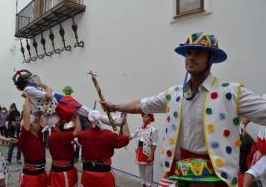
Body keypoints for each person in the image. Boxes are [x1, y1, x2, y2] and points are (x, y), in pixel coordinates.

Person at [100, 32, 266, 187]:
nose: (191, 58)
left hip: (217, 178)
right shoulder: (174, 94)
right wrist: (113, 106)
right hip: (181, 173)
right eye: (188, 53)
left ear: (212, 58)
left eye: (199, 53)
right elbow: (142, 104)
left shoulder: (230, 93)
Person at [78, 110, 130, 187]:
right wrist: (125, 123)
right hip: (104, 175)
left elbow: (82, 139)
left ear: (89, 120)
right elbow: (125, 139)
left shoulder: (82, 135)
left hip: (87, 173)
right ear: (101, 119)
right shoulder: (109, 135)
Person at [18, 92, 48, 187]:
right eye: (35, 122)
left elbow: (39, 116)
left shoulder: (38, 134)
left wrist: (38, 102)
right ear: (29, 126)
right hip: (30, 177)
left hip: (41, 174)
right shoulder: (25, 136)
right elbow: (26, 116)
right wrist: (27, 98)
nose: (38, 122)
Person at [48, 111, 81, 187]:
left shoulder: (58, 134)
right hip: (62, 174)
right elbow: (77, 131)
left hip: (63, 170)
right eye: (61, 119)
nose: (63, 120)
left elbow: (73, 129)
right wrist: (76, 115)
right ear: (57, 123)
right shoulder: (57, 136)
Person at [131, 113, 158, 187]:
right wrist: (124, 138)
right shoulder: (140, 128)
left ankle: (148, 185)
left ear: (150, 118)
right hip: (140, 151)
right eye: (143, 116)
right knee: (141, 172)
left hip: (148, 153)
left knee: (148, 173)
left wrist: (151, 155)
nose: (143, 118)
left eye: (146, 116)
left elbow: (154, 144)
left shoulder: (153, 130)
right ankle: (143, 184)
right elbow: (133, 135)